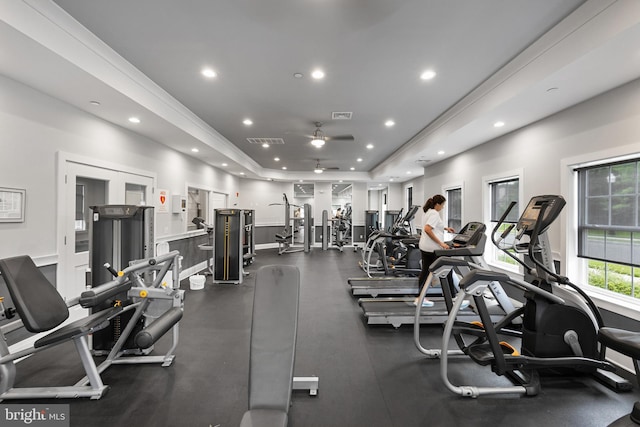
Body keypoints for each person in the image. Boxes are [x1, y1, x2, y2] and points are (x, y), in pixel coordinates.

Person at [417, 194, 454, 307]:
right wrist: (441, 243)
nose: (443, 207)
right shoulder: (434, 213)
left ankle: (420, 298)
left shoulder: (428, 212)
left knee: (425, 272)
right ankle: (453, 298)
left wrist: (445, 228)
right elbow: (428, 229)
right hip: (433, 248)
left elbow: (433, 226)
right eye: (442, 205)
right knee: (448, 270)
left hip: (425, 247)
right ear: (438, 204)